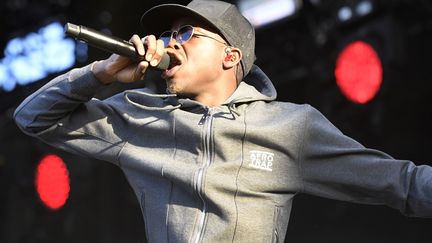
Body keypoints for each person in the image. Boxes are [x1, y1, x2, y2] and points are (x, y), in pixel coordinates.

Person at [13, 0, 432, 242]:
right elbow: (33, 118)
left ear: (230, 57)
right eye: (165, 35)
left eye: (185, 33)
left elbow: (404, 184)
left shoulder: (288, 127)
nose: (167, 44)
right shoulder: (139, 115)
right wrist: (99, 74)